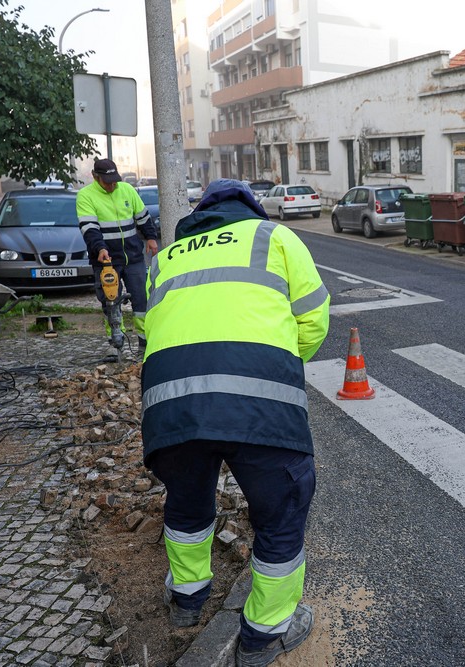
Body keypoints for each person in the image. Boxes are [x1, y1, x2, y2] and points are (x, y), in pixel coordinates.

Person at [140, 179, 330, 666]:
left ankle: (186, 601)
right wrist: (274, 366)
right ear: (250, 208)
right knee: (281, 513)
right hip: (261, 404)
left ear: (201, 213)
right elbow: (313, 321)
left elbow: (154, 330)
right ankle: (264, 635)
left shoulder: (166, 258)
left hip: (172, 404)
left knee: (186, 502)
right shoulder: (276, 239)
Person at [76, 158, 159, 354]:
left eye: (115, 180)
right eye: (107, 182)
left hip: (133, 257)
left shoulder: (127, 190)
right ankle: (117, 340)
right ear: (95, 177)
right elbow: (89, 228)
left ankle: (145, 341)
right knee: (110, 301)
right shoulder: (85, 196)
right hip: (106, 261)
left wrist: (151, 237)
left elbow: (143, 216)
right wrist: (100, 249)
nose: (112, 185)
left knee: (142, 300)